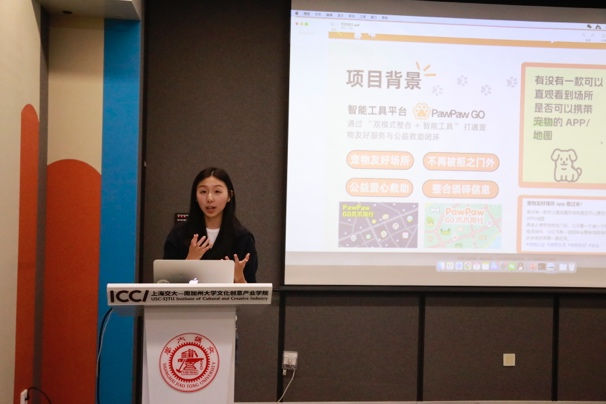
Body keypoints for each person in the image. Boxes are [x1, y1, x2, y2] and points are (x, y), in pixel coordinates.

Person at [163, 167, 257, 283]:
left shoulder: (242, 238)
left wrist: (238, 277)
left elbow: (251, 291)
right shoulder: (179, 234)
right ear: (195, 196)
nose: (209, 198)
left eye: (217, 191)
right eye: (203, 192)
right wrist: (190, 260)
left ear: (229, 195)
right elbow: (165, 285)